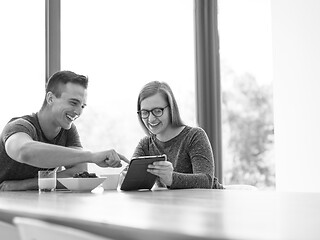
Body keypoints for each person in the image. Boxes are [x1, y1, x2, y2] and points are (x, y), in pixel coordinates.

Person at [0, 70, 128, 191]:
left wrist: (24, 185)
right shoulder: (20, 126)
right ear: (50, 98)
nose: (78, 111)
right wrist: (91, 156)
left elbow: (77, 172)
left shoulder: (68, 130)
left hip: (30, 202)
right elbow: (24, 151)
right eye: (73, 103)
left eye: (82, 106)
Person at [132, 81, 222, 189]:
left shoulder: (194, 136)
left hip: (209, 202)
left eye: (157, 111)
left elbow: (206, 181)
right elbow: (133, 183)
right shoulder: (145, 145)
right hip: (174, 204)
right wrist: (125, 177)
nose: (150, 119)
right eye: (145, 112)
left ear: (171, 109)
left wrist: (171, 178)